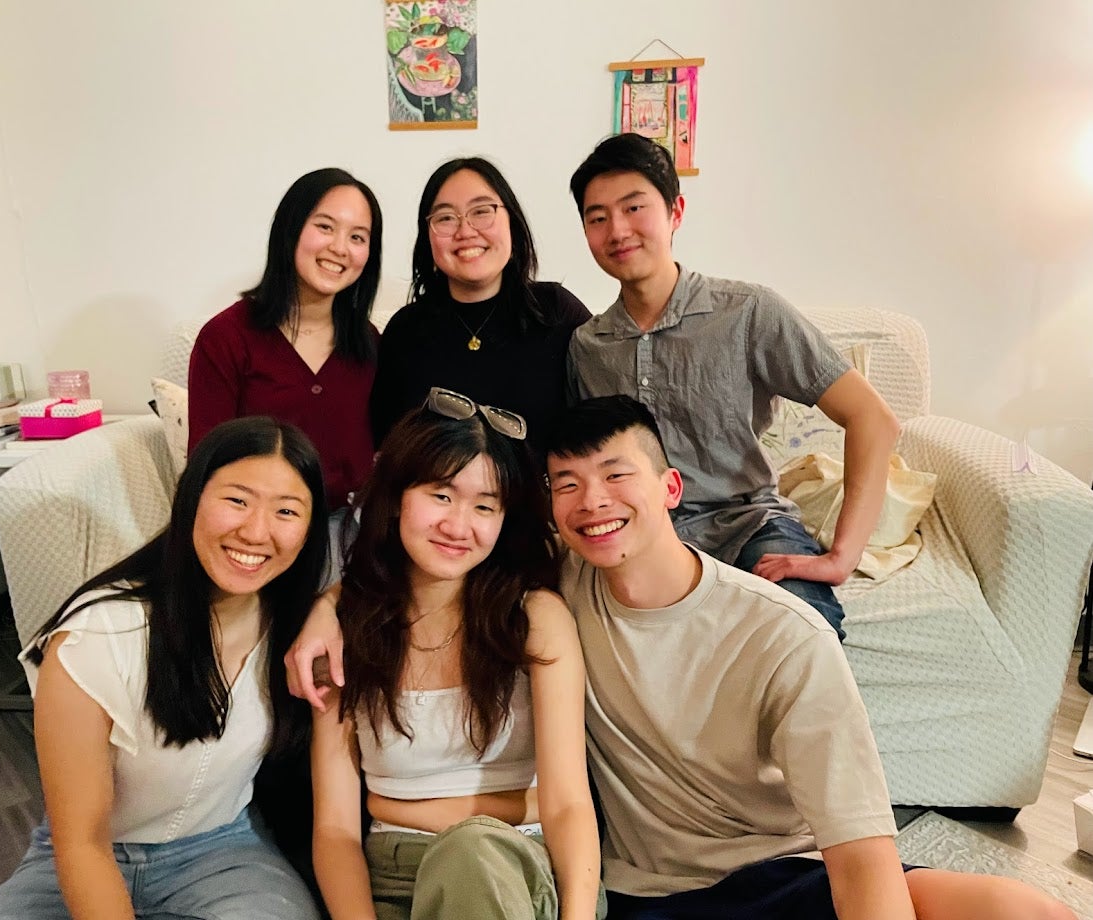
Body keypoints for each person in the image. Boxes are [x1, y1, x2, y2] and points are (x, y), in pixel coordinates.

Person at [544, 395, 1073, 920]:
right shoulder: (557, 594)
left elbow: (859, 845)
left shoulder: (782, 633)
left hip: (783, 872)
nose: (592, 501)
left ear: (671, 488)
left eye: (616, 476)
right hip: (653, 894)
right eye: (567, 484)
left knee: (1031, 912)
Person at [0, 416, 329, 920]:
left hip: (221, 852)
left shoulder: (294, 621)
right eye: (236, 500)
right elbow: (81, 843)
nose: (256, 531)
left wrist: (329, 608)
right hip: (88, 850)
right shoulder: (98, 635)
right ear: (191, 498)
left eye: (286, 511)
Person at [566, 133, 902, 639]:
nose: (617, 230)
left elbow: (872, 417)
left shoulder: (747, 312)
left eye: (634, 207)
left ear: (675, 211)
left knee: (803, 632)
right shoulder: (587, 346)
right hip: (641, 536)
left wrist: (841, 556)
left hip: (750, 523)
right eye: (597, 217)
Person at [309, 389, 602, 920]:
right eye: (441, 495)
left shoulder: (534, 618)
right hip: (395, 878)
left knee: (469, 852)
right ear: (398, 494)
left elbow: (567, 803)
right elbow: (333, 828)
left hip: (520, 866)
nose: (459, 524)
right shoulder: (342, 629)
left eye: (485, 506)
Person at [189, 167, 382, 581]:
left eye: (357, 237)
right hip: (256, 534)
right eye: (325, 227)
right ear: (291, 230)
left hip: (350, 533)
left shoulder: (369, 343)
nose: (339, 248)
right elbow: (204, 464)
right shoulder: (225, 337)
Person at [369, 157, 591, 456]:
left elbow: (597, 428)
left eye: (482, 211)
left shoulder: (556, 312)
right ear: (428, 236)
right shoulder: (405, 331)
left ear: (511, 220)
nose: (465, 231)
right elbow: (386, 447)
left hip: (539, 502)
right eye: (446, 217)